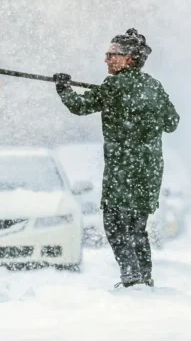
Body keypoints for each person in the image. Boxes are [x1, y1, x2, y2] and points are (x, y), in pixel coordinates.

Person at [53, 29, 179, 288]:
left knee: (115, 224)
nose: (107, 59)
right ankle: (144, 277)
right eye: (106, 54)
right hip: (149, 168)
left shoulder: (113, 86)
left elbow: (80, 106)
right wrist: (147, 110)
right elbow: (172, 122)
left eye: (113, 55)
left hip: (122, 168)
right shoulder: (153, 86)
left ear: (130, 59)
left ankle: (131, 276)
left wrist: (63, 88)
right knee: (137, 227)